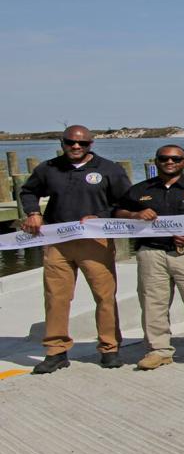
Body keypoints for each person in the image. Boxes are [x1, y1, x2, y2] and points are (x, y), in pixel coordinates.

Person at [16, 126, 131, 374]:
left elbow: (124, 202)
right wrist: (33, 213)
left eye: (82, 143)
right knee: (56, 297)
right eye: (70, 142)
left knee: (104, 296)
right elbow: (28, 191)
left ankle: (109, 348)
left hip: (96, 241)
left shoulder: (109, 169)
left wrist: (100, 216)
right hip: (58, 241)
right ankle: (56, 351)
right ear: (63, 142)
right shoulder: (49, 168)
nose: (76, 147)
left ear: (91, 144)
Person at [112, 144, 184, 370]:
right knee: (153, 304)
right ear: (156, 161)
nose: (169, 162)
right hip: (151, 253)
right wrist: (135, 214)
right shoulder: (140, 190)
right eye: (164, 158)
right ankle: (158, 350)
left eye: (175, 158)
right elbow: (117, 212)